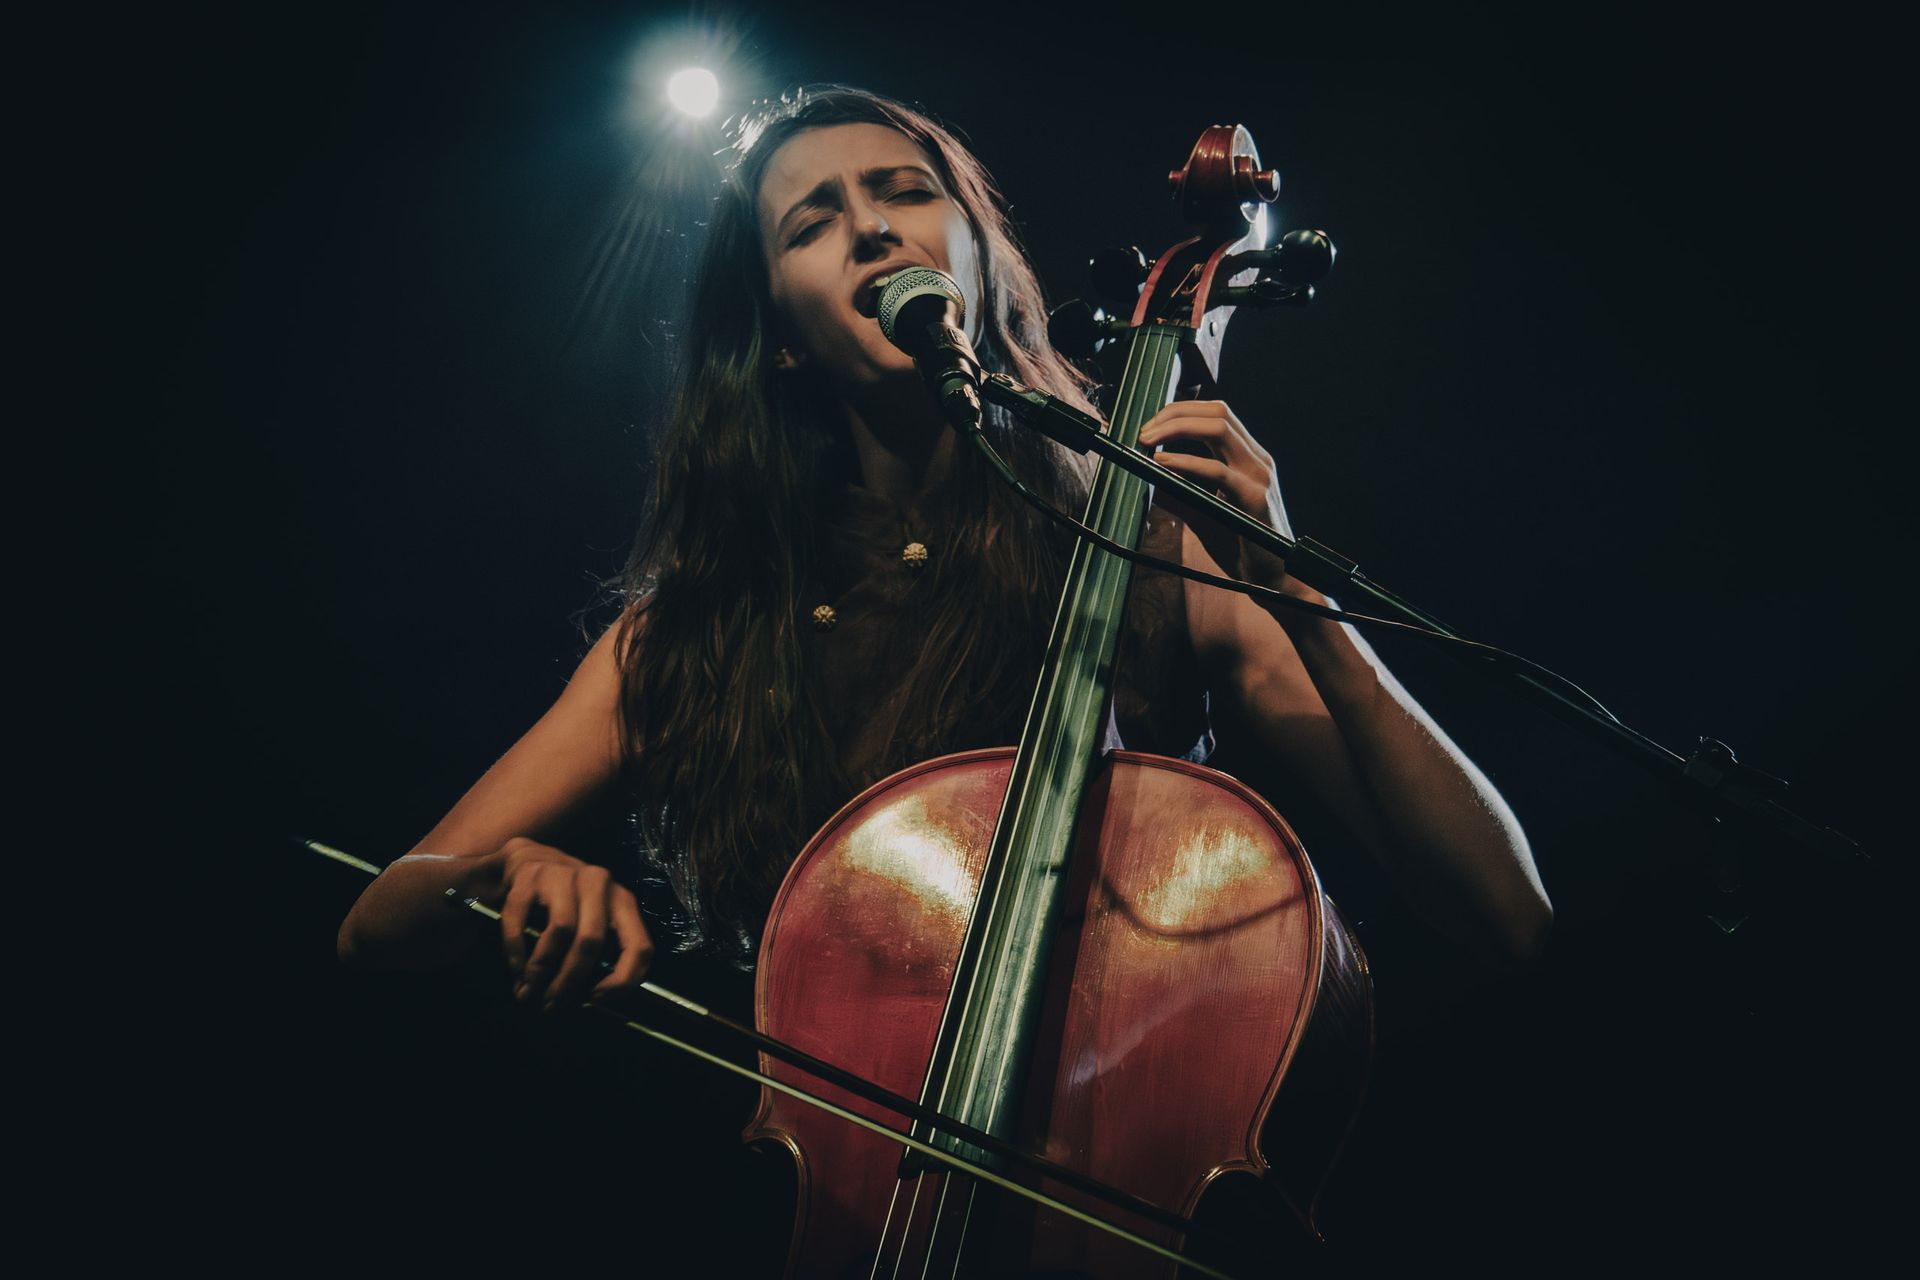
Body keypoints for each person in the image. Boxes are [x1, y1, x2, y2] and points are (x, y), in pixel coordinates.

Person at [337, 84, 1550, 1031]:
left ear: (971, 254)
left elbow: (1506, 917)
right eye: (813, 222)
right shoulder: (695, 627)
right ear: (784, 345)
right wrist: (505, 874)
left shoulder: (1147, 556)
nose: (869, 227)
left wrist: (1294, 585)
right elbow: (379, 916)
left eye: (904, 193)